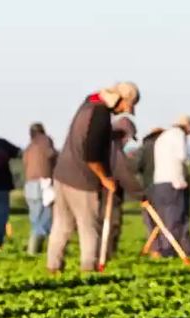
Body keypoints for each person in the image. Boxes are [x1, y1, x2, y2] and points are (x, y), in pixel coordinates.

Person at [48, 82, 140, 273]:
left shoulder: (89, 103)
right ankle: (89, 270)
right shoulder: (100, 114)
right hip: (81, 180)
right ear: (120, 100)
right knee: (89, 227)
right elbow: (91, 155)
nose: (124, 111)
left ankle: (53, 268)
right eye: (126, 106)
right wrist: (105, 178)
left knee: (61, 225)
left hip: (61, 174)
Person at [152, 115, 190, 259]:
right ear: (187, 127)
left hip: (159, 182)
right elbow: (182, 156)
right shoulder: (179, 135)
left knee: (164, 217)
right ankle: (176, 250)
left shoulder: (162, 137)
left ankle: (165, 248)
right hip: (174, 182)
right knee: (177, 216)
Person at [105, 117, 147, 256]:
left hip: (93, 189)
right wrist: (140, 194)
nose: (127, 142)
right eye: (128, 138)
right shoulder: (114, 147)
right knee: (112, 223)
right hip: (107, 192)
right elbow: (123, 174)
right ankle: (107, 255)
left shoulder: (103, 141)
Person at [22, 123, 57, 254]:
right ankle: (33, 250)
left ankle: (32, 250)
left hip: (29, 185)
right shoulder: (45, 141)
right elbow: (51, 155)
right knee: (45, 219)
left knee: (35, 219)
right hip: (43, 183)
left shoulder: (28, 148)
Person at [137, 127, 163, 242]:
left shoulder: (145, 148)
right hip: (168, 189)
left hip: (149, 189)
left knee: (151, 221)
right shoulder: (168, 147)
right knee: (167, 220)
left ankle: (155, 247)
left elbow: (134, 166)